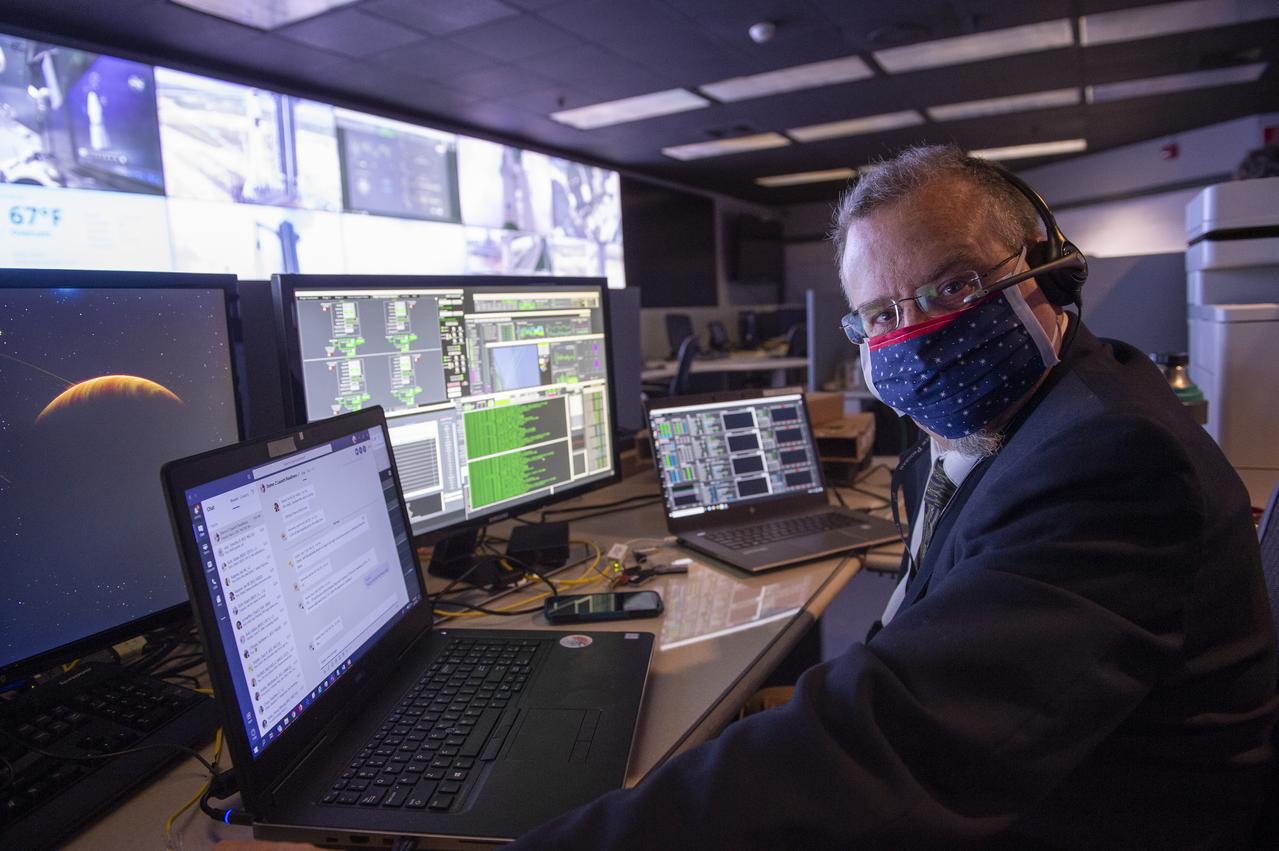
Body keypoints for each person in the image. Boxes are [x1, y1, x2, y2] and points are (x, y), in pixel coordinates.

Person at [216, 147, 1276, 851]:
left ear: (1048, 267)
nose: (918, 331)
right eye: (882, 312)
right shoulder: (1028, 417)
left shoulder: (1110, 462)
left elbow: (886, 744)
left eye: (952, 285)